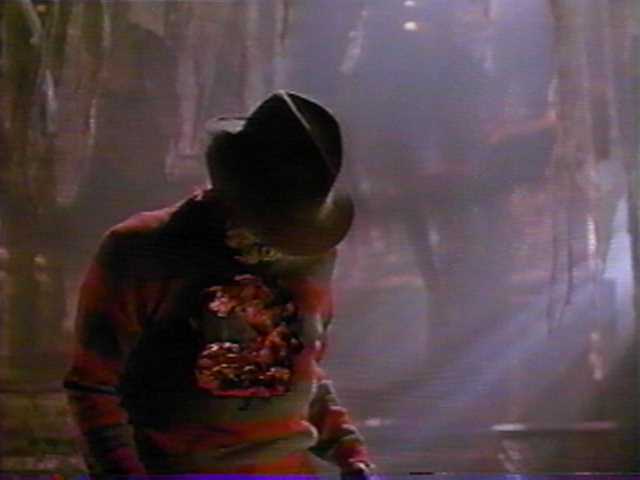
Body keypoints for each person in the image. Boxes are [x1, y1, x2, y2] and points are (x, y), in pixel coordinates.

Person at [63, 91, 374, 477]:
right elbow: (93, 388)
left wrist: (351, 454)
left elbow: (303, 372)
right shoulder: (143, 250)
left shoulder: (311, 259)